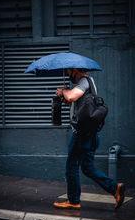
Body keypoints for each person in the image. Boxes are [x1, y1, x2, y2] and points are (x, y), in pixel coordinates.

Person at [53, 68, 125, 210]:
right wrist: (68, 99)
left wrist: (63, 92)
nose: (68, 75)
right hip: (91, 135)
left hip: (81, 136)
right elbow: (78, 102)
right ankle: (115, 188)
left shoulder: (83, 81)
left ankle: (73, 201)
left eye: (68, 72)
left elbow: (72, 97)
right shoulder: (90, 82)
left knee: (71, 167)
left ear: (75, 70)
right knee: (87, 168)